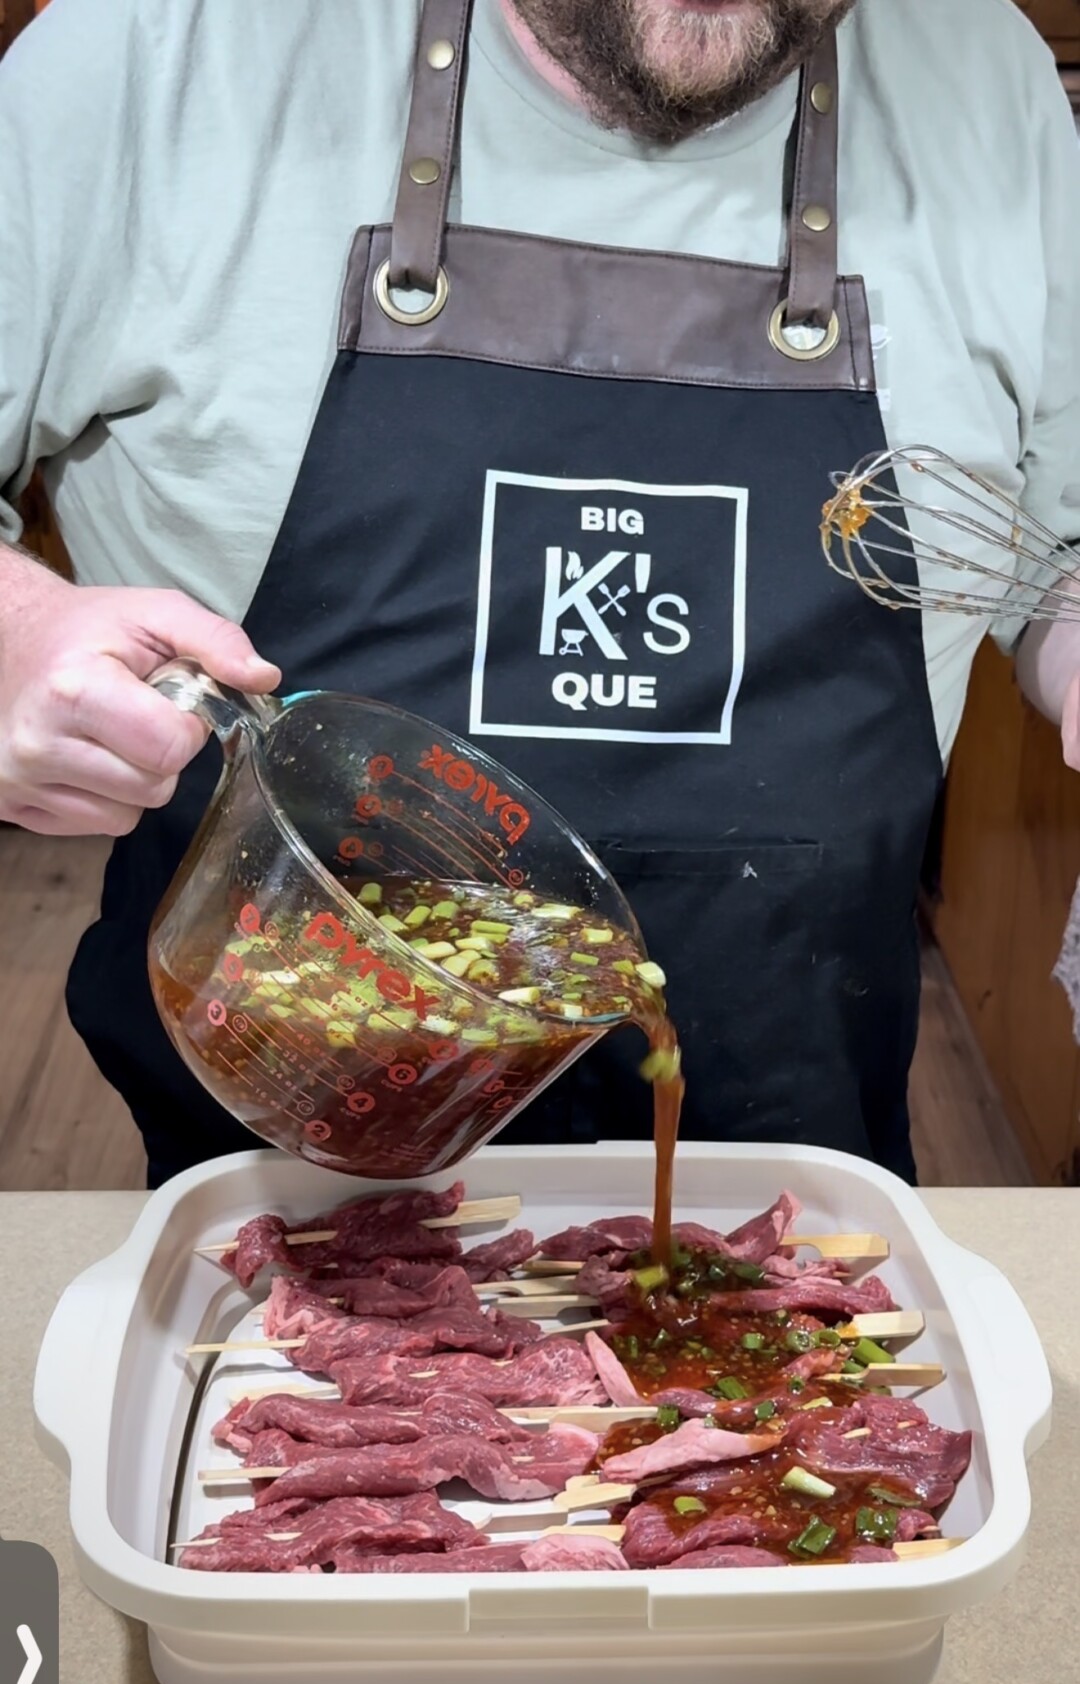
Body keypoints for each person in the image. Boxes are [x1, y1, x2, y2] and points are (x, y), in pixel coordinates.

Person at [1, 0, 1078, 1188]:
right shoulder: (158, 52)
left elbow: (1060, 563)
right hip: (283, 1202)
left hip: (794, 1208)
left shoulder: (993, 85)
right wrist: (19, 632)